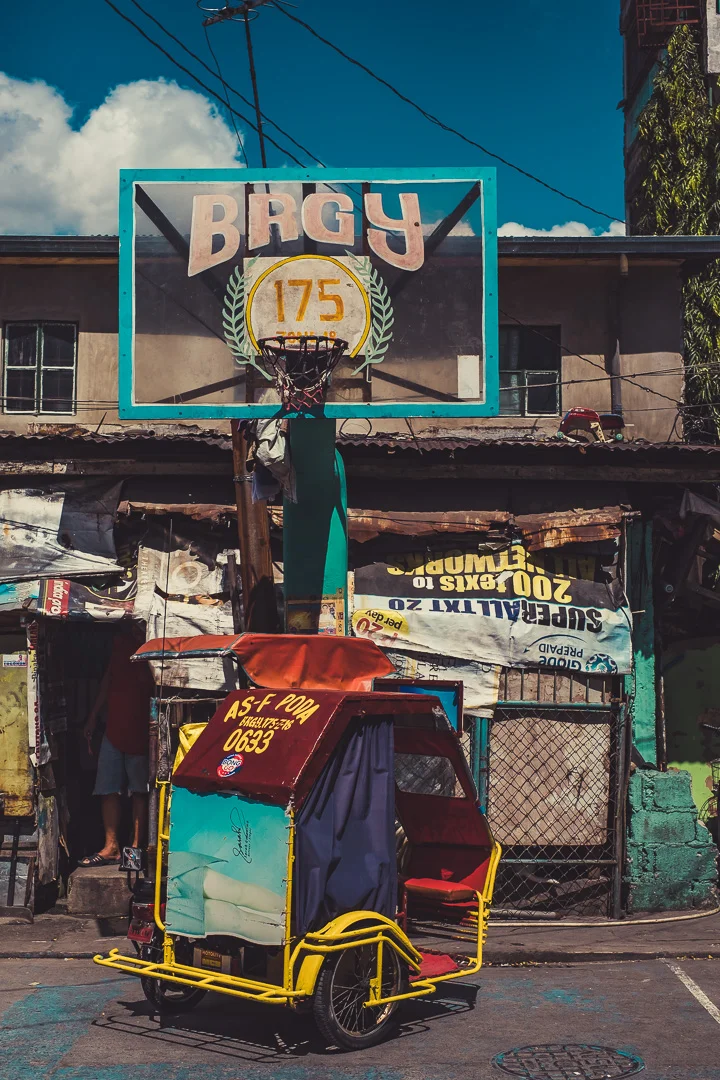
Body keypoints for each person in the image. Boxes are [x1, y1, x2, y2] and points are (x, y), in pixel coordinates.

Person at [80, 624, 154, 867]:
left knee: (139, 790)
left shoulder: (152, 642)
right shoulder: (120, 643)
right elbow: (107, 682)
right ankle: (111, 847)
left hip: (142, 730)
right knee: (106, 788)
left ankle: (135, 848)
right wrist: (93, 716)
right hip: (113, 728)